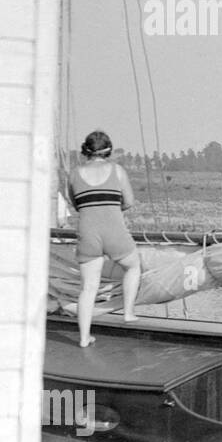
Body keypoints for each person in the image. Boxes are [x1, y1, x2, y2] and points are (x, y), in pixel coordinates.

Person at [67, 130, 140, 347]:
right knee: (133, 266)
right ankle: (128, 313)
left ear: (85, 150)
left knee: (88, 288)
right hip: (114, 230)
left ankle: (83, 337)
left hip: (88, 232)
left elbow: (76, 203)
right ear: (109, 150)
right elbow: (129, 201)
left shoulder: (73, 174)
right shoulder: (117, 171)